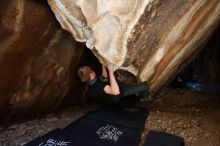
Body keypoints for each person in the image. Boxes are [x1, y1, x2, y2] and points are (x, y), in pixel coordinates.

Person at [78, 63, 151, 103]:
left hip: (115, 88)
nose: (93, 70)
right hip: (118, 93)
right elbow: (116, 92)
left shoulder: (93, 82)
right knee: (145, 87)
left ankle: (135, 90)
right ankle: (144, 99)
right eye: (91, 70)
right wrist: (111, 71)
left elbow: (104, 77)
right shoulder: (98, 86)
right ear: (90, 74)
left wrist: (102, 64)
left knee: (119, 77)